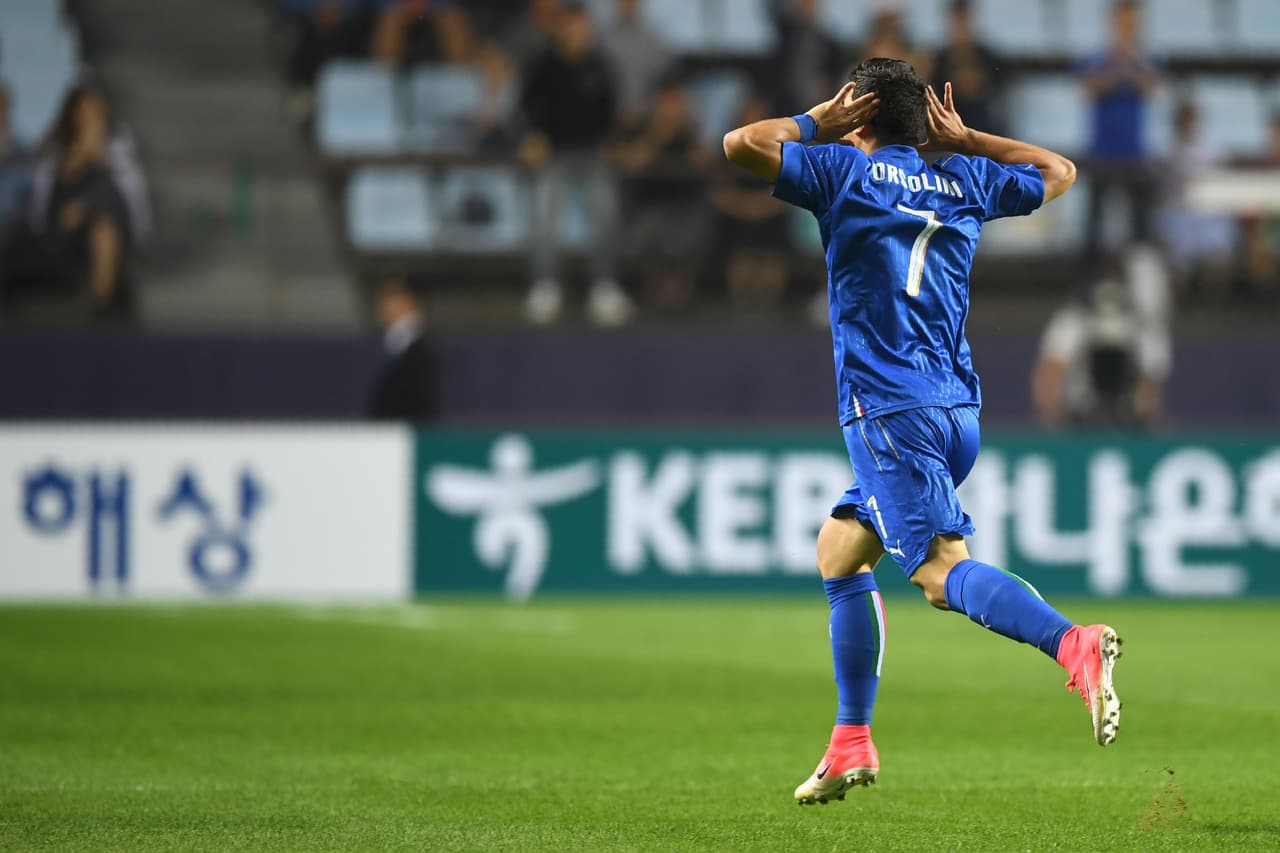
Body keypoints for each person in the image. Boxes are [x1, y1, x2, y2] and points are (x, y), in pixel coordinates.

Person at [722, 58, 1121, 806]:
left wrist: (817, 120)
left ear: (860, 114)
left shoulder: (842, 173)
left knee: (940, 574)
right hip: (956, 412)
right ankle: (850, 740)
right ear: (925, 122)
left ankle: (1072, 642)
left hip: (890, 411)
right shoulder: (964, 179)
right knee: (840, 550)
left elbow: (741, 143)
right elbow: (1059, 170)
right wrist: (967, 136)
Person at [519, 0, 630, 325]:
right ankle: (545, 286)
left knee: (606, 214)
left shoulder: (600, 64)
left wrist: (613, 141)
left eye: (584, 26)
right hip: (554, 153)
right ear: (561, 28)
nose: (580, 33)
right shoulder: (543, 64)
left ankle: (604, 286)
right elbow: (525, 108)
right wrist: (533, 136)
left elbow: (612, 113)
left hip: (593, 154)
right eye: (574, 26)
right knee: (544, 217)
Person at [1031, 247, 1171, 428]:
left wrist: (1143, 420)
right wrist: (1054, 420)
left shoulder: (1145, 329)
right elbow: (1049, 374)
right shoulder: (1073, 320)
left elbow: (1150, 390)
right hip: (1078, 414)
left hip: (1127, 417)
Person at [615, 74, 711, 312]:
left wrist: (688, 139)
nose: (671, 109)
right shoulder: (642, 128)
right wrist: (657, 137)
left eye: (676, 102)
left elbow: (706, 162)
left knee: (691, 230)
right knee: (649, 231)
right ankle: (655, 291)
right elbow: (631, 161)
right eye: (666, 102)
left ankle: (681, 292)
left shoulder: (691, 131)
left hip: (685, 205)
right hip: (648, 205)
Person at [1079, 0, 1160, 252]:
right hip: (1102, 153)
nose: (1128, 29)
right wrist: (1117, 71)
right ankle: (1088, 282)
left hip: (1133, 153)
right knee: (1094, 225)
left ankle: (1140, 278)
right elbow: (1089, 88)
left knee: (1140, 224)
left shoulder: (1144, 59)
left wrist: (1129, 66)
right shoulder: (1097, 58)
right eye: (1124, 23)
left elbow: (1149, 87)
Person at [598, 0, 674, 134]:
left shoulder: (655, 41)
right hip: (606, 121)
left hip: (648, 122)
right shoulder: (600, 38)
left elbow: (665, 84)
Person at [368, 276, 438, 420]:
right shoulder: (394, 347)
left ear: (409, 302)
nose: (382, 304)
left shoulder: (421, 356)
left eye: (391, 297)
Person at [931, 0, 1003, 137]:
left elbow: (998, 85)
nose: (962, 26)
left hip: (983, 121)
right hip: (950, 123)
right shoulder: (941, 58)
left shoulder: (987, 56)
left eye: (965, 20)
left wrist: (978, 85)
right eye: (958, 20)